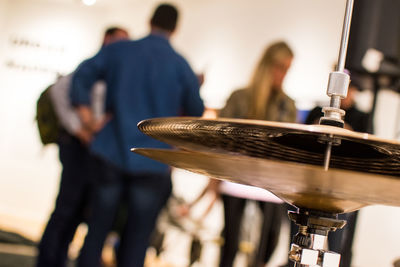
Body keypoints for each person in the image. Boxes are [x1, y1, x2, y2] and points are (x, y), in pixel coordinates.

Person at [70, 3, 204, 267]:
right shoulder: (180, 65)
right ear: (175, 28)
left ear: (149, 20)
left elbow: (81, 76)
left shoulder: (121, 50)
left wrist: (88, 120)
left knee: (97, 231)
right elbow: (196, 110)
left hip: (111, 151)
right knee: (137, 239)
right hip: (153, 161)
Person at [36, 27, 129, 267]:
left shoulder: (111, 70)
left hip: (94, 150)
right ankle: (47, 260)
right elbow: (59, 92)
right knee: (66, 207)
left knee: (79, 210)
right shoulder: (92, 66)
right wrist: (81, 129)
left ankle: (60, 258)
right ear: (107, 40)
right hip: (77, 146)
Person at [217, 41, 296, 267]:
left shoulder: (286, 105)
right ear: (267, 66)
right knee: (231, 239)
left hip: (270, 183)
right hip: (236, 177)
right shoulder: (239, 97)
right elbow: (220, 139)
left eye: (287, 69)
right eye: (280, 67)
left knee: (269, 238)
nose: (283, 75)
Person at [303, 80, 371, 267]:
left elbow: (370, 152)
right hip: (310, 186)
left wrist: (349, 133)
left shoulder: (363, 118)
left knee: (337, 248)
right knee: (302, 242)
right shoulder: (316, 112)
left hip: (343, 192)